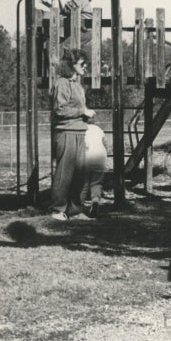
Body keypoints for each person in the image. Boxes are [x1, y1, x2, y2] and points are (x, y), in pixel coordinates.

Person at [50, 49, 95, 221]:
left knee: (80, 174)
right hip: (66, 132)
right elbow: (60, 110)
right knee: (64, 173)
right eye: (82, 64)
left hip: (79, 131)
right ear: (70, 65)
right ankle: (57, 210)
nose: (85, 67)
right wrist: (82, 111)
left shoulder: (77, 84)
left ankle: (75, 210)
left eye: (86, 63)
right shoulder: (62, 83)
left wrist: (85, 115)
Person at [79, 119, 111, 217]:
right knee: (97, 183)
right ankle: (95, 201)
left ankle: (80, 205)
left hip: (86, 157)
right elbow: (105, 144)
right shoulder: (98, 129)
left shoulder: (80, 129)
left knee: (83, 183)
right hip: (99, 157)